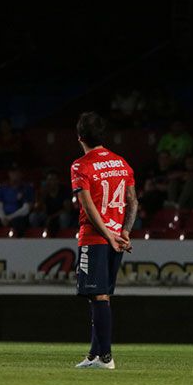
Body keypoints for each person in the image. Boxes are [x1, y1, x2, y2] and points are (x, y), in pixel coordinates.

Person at [70, 112, 138, 369]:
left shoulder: (80, 165)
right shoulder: (122, 163)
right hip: (116, 238)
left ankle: (106, 357)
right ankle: (94, 355)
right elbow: (133, 201)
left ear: (79, 138)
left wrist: (107, 234)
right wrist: (125, 232)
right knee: (101, 295)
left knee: (97, 295)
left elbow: (87, 206)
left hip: (96, 237)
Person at [29, 170, 74, 235]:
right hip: (48, 216)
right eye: (49, 179)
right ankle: (37, 234)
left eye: (54, 179)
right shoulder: (44, 191)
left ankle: (64, 234)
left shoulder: (64, 191)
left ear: (58, 181)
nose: (52, 182)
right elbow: (40, 209)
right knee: (33, 216)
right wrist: (40, 196)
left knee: (64, 217)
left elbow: (67, 209)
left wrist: (52, 217)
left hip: (59, 215)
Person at [0, 163, 34, 236]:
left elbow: (26, 208)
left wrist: (9, 218)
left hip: (18, 217)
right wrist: (3, 218)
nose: (14, 175)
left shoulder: (27, 188)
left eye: (17, 172)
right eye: (12, 172)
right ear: (9, 174)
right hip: (3, 217)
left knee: (19, 222)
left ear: (21, 174)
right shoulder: (2, 188)